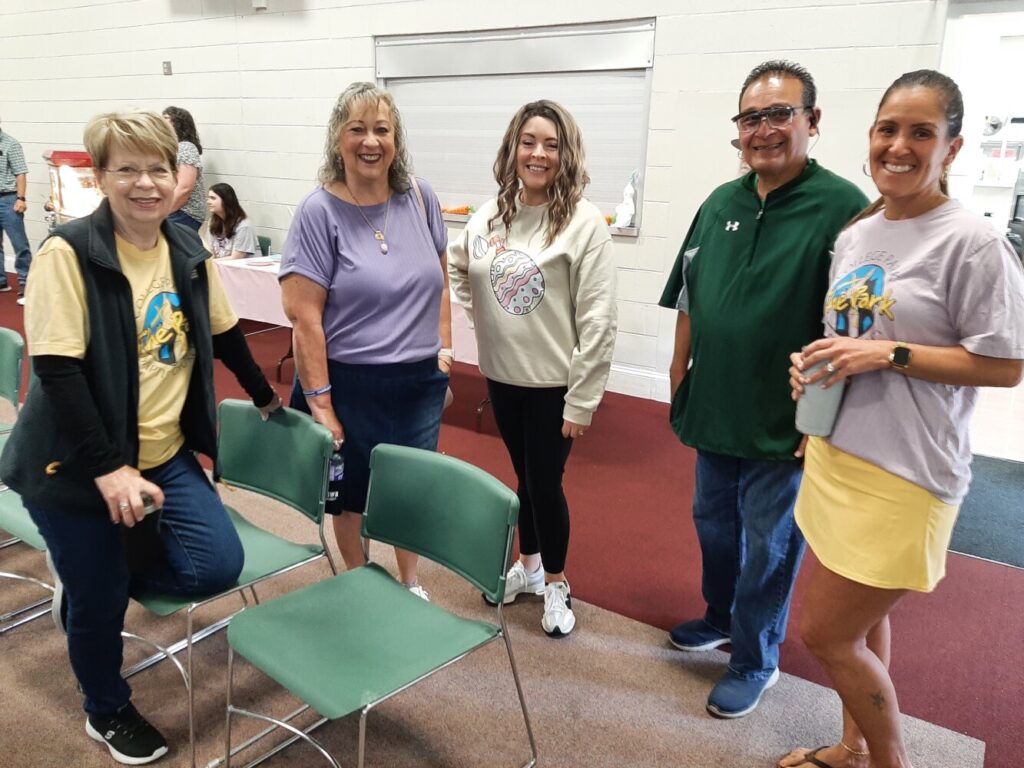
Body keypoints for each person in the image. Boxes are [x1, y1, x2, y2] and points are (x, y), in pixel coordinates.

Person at [0, 110, 282, 765]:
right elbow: (58, 372)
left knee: (216, 566)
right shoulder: (69, 253)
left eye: (158, 168)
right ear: (101, 177)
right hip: (75, 463)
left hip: (161, 453)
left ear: (177, 176)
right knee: (100, 604)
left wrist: (265, 397)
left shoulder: (185, 247)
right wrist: (108, 469)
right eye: (127, 169)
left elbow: (223, 331)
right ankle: (105, 707)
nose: (146, 183)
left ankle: (92, 573)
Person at [780, 70, 1024, 768]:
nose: (899, 146)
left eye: (922, 132)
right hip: (839, 453)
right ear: (870, 136)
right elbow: (848, 336)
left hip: (906, 473)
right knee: (862, 625)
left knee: (827, 635)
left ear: (952, 147)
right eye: (888, 129)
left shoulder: (973, 243)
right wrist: (817, 370)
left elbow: (1005, 366)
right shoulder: (858, 234)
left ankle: (892, 762)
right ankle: (852, 746)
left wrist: (887, 354)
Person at [658, 60, 868, 717]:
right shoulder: (720, 203)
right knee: (714, 526)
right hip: (715, 401)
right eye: (751, 117)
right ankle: (719, 616)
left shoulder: (844, 209)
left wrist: (823, 417)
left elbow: (853, 326)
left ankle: (755, 658)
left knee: (769, 544)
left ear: (812, 120)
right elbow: (689, 294)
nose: (764, 129)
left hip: (787, 417)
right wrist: (677, 371)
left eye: (780, 113)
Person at [448, 100, 616, 637]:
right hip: (502, 378)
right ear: (512, 149)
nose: (538, 153)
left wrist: (582, 399)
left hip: (553, 385)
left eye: (551, 144)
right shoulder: (491, 214)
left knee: (544, 482)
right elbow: (458, 264)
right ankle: (530, 566)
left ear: (567, 154)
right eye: (528, 142)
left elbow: (599, 319)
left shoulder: (584, 223)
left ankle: (557, 583)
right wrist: (484, 319)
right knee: (525, 477)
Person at [280, 82, 451, 600]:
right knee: (351, 498)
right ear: (339, 139)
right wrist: (321, 403)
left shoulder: (419, 197)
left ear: (396, 140)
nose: (370, 141)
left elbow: (441, 281)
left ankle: (410, 583)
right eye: (357, 129)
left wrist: (444, 352)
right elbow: (304, 318)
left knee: (408, 491)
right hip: (350, 383)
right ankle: (361, 588)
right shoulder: (318, 212)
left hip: (417, 382)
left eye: (382, 129)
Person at [0, 115, 33, 304]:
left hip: (9, 200)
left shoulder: (11, 144)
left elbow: (20, 173)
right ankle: (1, 281)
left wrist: (21, 198)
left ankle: (26, 282)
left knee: (20, 244)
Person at [162, 106, 206, 232]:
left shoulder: (185, 147)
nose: (161, 122)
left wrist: (164, 211)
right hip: (177, 211)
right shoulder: (174, 148)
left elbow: (185, 188)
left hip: (184, 212)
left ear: (178, 123)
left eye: (166, 118)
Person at [207, 182, 258, 259]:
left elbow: (236, 258)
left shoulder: (244, 225)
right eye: (208, 198)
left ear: (226, 201)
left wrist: (212, 263)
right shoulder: (212, 222)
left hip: (240, 266)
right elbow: (212, 253)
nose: (208, 202)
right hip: (220, 265)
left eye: (213, 198)